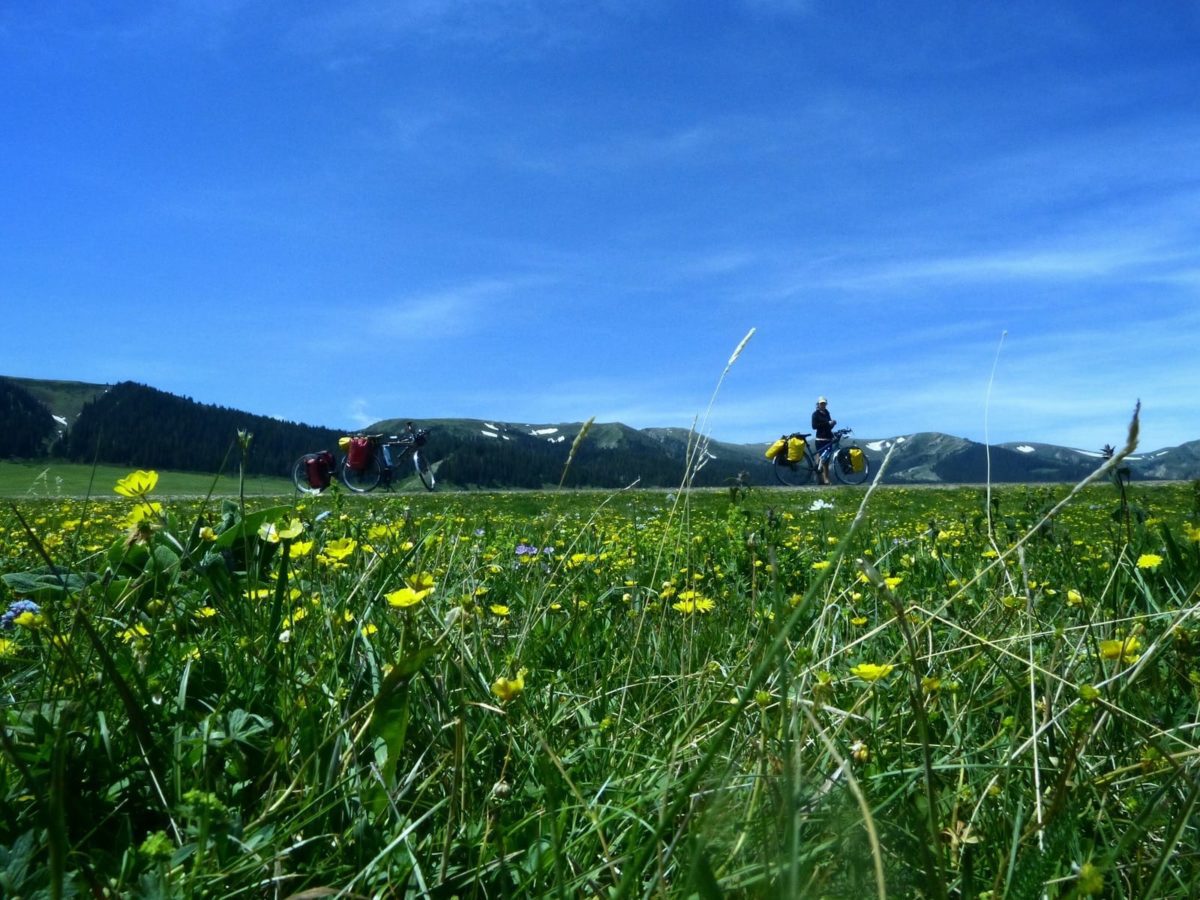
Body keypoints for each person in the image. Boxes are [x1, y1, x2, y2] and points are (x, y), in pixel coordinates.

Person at [811, 396, 836, 484]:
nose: (823, 405)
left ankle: (826, 479)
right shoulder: (815, 414)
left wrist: (832, 424)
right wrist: (827, 423)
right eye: (821, 403)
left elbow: (828, 427)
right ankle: (820, 479)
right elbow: (814, 426)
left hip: (828, 438)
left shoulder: (827, 413)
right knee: (820, 459)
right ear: (818, 404)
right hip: (820, 439)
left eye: (824, 403)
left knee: (826, 460)